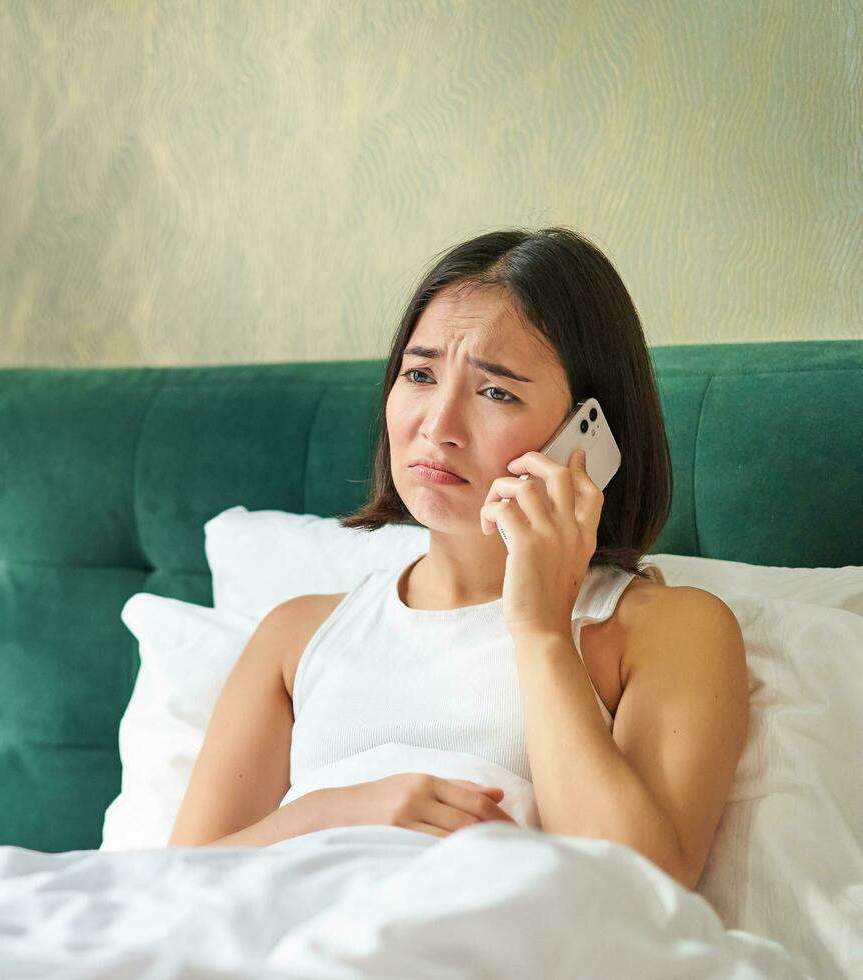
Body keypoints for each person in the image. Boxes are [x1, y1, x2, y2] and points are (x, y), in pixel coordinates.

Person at [168, 227, 749, 891]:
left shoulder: (665, 628)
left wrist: (540, 631)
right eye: (419, 374)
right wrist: (340, 811)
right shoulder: (296, 636)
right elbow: (175, 885)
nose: (437, 424)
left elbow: (641, 888)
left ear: (587, 437)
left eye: (496, 391)